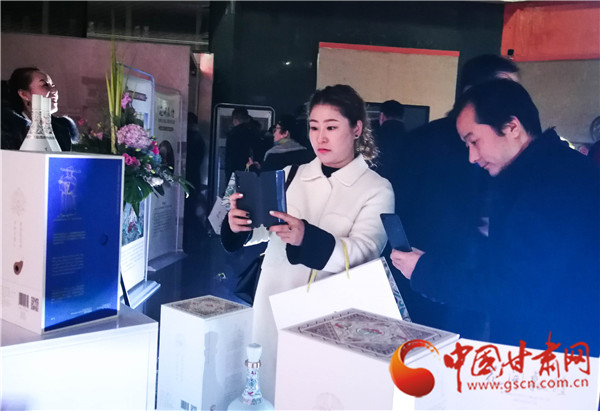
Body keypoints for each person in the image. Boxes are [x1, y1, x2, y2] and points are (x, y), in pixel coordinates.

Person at [391, 79, 600, 355]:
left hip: (561, 354)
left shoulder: (552, 185)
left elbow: (515, 291)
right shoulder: (540, 173)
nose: (471, 156)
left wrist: (425, 271)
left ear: (512, 127)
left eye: (474, 141)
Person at [220, 84, 394, 401]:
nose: (320, 138)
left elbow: (364, 252)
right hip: (273, 303)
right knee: (268, 391)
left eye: (331, 127)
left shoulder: (376, 189)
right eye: (314, 127)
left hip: (329, 316)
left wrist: (306, 238)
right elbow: (265, 229)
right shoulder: (291, 174)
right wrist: (238, 225)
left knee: (316, 396)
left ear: (356, 129)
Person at [385, 55, 520, 339]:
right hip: (423, 276)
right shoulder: (422, 143)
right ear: (472, 92)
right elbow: (398, 208)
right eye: (504, 90)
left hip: (476, 284)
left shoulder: (510, 147)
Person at [1, 67, 78, 151]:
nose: (54, 91)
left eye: (53, 85)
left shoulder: (61, 130)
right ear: (23, 94)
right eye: (45, 85)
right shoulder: (7, 130)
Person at [373, 99, 407, 197]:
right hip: (403, 193)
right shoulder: (414, 139)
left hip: (376, 191)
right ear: (403, 117)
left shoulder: (372, 139)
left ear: (382, 116)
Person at [224, 106, 262, 180]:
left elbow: (230, 161)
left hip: (236, 174)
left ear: (235, 120)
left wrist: (229, 178)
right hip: (252, 174)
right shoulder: (255, 133)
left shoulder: (233, 135)